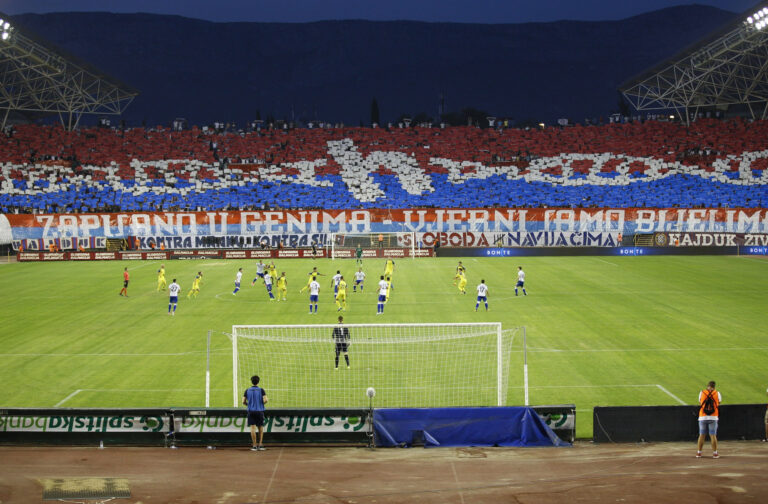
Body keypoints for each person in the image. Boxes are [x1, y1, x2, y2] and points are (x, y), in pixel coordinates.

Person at [242, 375, 268, 451]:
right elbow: (266, 400)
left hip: (251, 411)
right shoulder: (261, 390)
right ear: (258, 381)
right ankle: (260, 444)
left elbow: (243, 401)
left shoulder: (247, 390)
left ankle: (254, 445)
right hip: (259, 411)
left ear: (251, 381)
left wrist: (248, 404)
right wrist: (260, 404)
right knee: (260, 428)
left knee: (252, 428)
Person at [697, 380, 721, 459]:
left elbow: (700, 401)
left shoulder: (702, 392)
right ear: (714, 387)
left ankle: (699, 453)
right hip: (713, 417)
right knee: (713, 436)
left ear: (707, 386)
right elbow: (719, 403)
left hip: (702, 417)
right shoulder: (717, 393)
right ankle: (715, 453)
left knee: (701, 435)